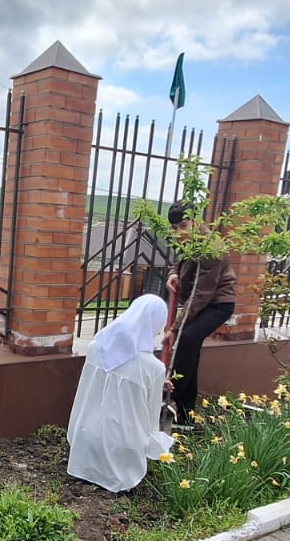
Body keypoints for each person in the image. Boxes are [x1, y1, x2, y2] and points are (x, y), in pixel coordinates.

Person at [66, 294, 176, 492]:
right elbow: (150, 421)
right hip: (122, 449)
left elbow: (100, 384)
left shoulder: (95, 348)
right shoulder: (153, 368)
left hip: (84, 436)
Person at [164, 202, 236, 423]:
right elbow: (179, 261)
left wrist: (175, 327)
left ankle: (172, 397)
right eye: (175, 228)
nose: (179, 233)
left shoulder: (211, 249)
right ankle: (186, 413)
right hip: (200, 302)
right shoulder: (189, 240)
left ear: (196, 221)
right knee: (190, 348)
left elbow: (201, 294)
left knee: (187, 338)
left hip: (218, 304)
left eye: (183, 225)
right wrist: (173, 273)